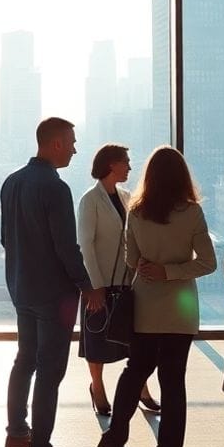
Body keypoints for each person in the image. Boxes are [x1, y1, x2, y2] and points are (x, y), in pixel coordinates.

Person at [96, 146, 215, 447]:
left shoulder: (135, 211)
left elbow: (131, 260)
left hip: (144, 306)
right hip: (179, 308)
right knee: (173, 383)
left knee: (135, 371)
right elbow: (208, 262)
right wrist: (172, 271)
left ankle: (114, 440)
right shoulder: (192, 213)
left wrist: (155, 267)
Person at [1, 117, 106, 447]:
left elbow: (6, 239)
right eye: (72, 142)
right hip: (53, 296)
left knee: (25, 359)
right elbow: (66, 247)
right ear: (56, 143)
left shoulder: (11, 183)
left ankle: (16, 436)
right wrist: (87, 285)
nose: (76, 149)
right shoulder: (55, 188)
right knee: (49, 371)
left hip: (21, 288)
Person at [76, 144, 159, 417]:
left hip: (126, 281)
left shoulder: (126, 197)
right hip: (100, 283)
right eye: (126, 162)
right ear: (111, 164)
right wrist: (95, 286)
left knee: (133, 341)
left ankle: (141, 389)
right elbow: (85, 245)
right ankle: (97, 387)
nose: (130, 167)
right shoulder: (90, 200)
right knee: (97, 336)